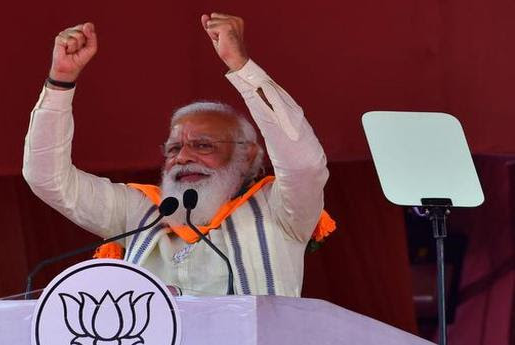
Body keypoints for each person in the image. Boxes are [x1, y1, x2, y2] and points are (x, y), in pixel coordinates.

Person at [23, 13, 332, 297]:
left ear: (248, 155)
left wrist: (242, 67)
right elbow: (47, 179)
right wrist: (60, 81)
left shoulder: (280, 210)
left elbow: (303, 165)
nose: (183, 157)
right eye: (173, 148)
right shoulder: (139, 213)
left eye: (203, 145)